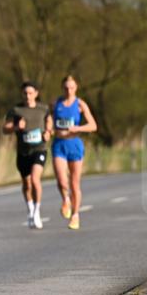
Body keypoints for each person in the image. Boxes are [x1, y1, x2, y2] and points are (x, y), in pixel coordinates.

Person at [3, 81, 53, 229]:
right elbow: (5, 129)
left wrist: (48, 132)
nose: (27, 96)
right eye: (25, 93)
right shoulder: (16, 110)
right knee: (27, 183)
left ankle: (37, 211)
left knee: (35, 179)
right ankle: (30, 209)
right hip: (23, 152)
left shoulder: (43, 108)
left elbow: (49, 121)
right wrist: (16, 127)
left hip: (39, 149)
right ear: (22, 94)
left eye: (30, 93)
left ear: (36, 94)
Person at [50, 75, 97, 230]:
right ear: (62, 88)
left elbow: (93, 126)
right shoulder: (55, 103)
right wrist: (49, 129)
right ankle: (66, 199)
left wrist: (78, 128)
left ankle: (75, 215)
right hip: (59, 144)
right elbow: (49, 120)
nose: (69, 91)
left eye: (71, 88)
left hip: (74, 145)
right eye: (66, 88)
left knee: (74, 183)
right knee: (62, 181)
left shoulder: (80, 104)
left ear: (76, 88)